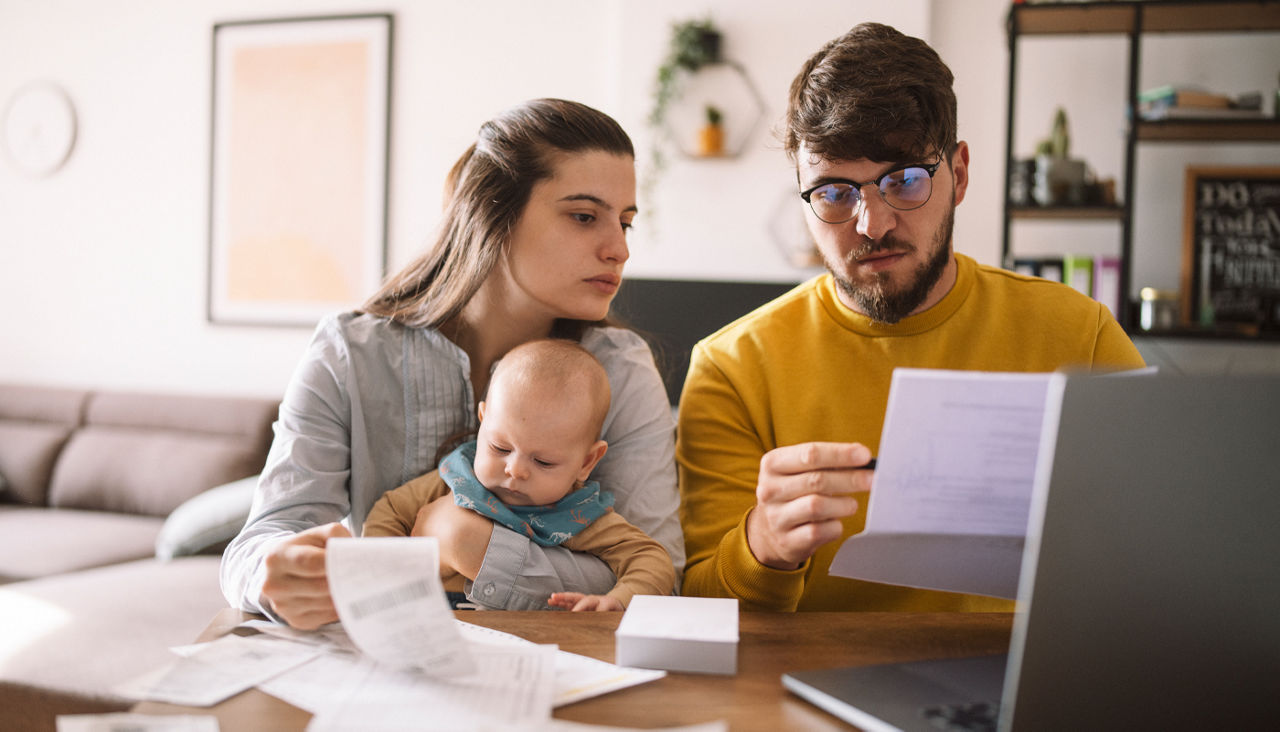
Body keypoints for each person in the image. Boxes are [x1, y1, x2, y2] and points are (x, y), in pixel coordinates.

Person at [676, 23, 1145, 613]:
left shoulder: (1082, 336)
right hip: (808, 692)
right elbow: (698, 612)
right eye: (834, 192)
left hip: (1025, 684)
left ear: (961, 175)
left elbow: (1164, 551)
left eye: (904, 180)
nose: (872, 224)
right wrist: (763, 547)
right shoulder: (731, 368)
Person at [221, 99, 684, 629]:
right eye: (584, 217)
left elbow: (660, 573)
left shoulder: (620, 370)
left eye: (625, 222)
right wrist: (272, 574)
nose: (619, 249)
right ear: (492, 216)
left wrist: (466, 544)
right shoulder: (349, 353)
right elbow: (258, 544)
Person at [363, 338, 676, 611]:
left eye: (543, 461)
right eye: (500, 447)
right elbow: (389, 511)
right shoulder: (456, 478)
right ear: (483, 421)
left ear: (587, 462)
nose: (515, 469)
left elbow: (652, 560)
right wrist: (381, 577)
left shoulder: (578, 515)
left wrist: (620, 599)